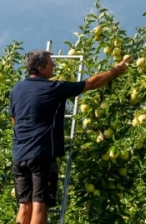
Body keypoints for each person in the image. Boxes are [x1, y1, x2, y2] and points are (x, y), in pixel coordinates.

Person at [10, 49, 130, 224]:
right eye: (51, 64)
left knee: (24, 206)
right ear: (42, 69)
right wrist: (116, 71)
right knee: (39, 204)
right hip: (41, 154)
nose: (54, 66)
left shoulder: (16, 89)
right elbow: (91, 83)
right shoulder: (53, 88)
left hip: (19, 155)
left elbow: (14, 120)